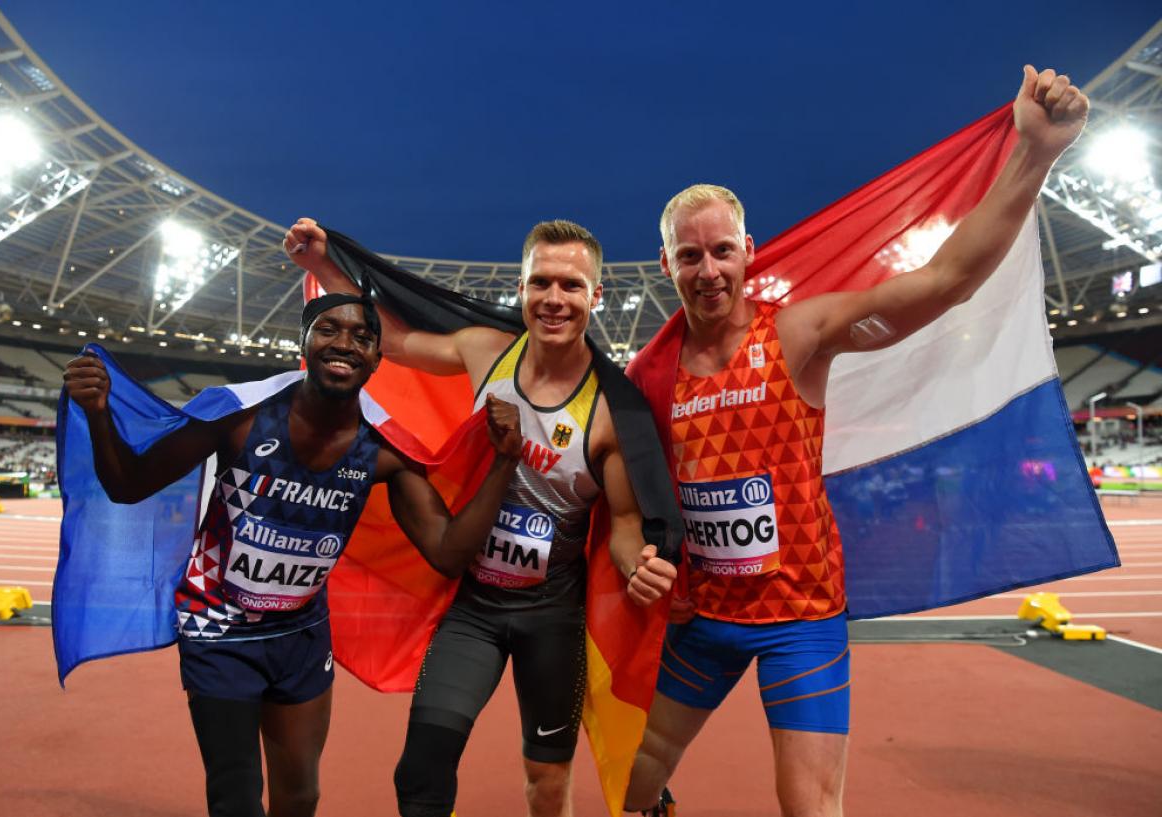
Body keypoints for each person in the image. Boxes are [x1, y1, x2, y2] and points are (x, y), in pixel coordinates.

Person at [622, 65, 1089, 817]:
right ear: (668, 264)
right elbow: (625, 488)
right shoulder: (650, 373)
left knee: (811, 805)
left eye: (720, 252)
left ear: (748, 250)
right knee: (634, 776)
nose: (707, 271)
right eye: (689, 256)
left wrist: (1036, 154)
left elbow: (946, 280)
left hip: (801, 619)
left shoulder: (797, 334)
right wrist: (646, 555)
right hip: (704, 617)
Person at [62, 292, 524, 817]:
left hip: (301, 634)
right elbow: (128, 484)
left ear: (377, 359)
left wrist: (503, 465)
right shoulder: (237, 418)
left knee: (300, 795)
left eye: (361, 336)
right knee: (236, 798)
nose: (344, 343)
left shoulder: (384, 452)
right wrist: (99, 414)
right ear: (302, 342)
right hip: (219, 627)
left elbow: (446, 553)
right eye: (328, 329)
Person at [284, 218, 678, 817]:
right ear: (520, 289)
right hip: (475, 607)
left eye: (571, 286)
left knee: (545, 782)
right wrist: (324, 268)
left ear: (595, 296)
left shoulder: (609, 412)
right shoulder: (486, 351)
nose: (553, 299)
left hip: (555, 619)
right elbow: (393, 342)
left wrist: (639, 565)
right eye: (540, 282)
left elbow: (623, 526)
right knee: (421, 767)